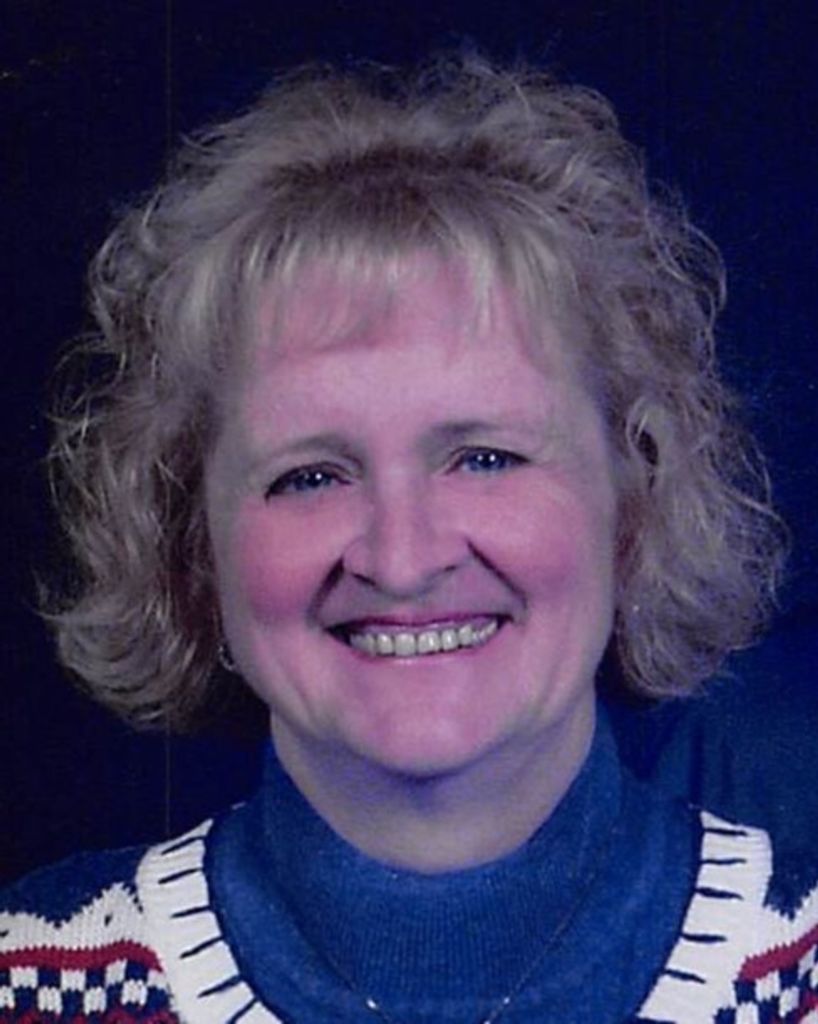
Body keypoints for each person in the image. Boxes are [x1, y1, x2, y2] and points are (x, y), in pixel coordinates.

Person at [1, 56, 814, 1024]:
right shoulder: (32, 985)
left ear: (634, 499)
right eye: (310, 476)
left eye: (484, 457)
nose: (402, 557)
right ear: (192, 544)